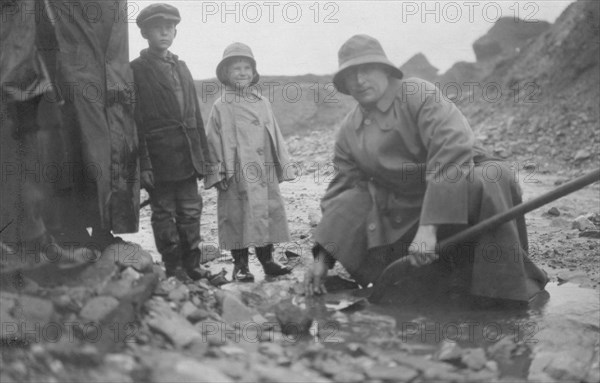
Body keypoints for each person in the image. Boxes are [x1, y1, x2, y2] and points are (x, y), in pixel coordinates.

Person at [304, 35, 548, 303]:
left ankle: (503, 294)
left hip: (461, 179)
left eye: (366, 69)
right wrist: (322, 257)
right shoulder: (348, 131)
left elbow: (452, 151)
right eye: (351, 74)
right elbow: (343, 190)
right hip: (408, 203)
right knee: (355, 199)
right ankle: (426, 280)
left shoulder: (418, 93)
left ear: (385, 69)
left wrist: (429, 228)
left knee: (491, 178)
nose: (360, 80)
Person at [131, 4, 219, 283]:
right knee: (164, 213)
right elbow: (135, 122)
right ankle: (174, 268)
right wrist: (144, 164)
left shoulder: (181, 67)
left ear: (175, 32)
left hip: (187, 155)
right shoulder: (135, 70)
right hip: (159, 158)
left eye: (169, 28)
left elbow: (194, 114)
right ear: (145, 33)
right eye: (158, 28)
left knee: (191, 211)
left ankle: (193, 265)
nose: (164, 33)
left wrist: (203, 158)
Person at [204, 42, 293, 282]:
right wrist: (216, 173)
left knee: (266, 212)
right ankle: (240, 265)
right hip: (236, 172)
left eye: (246, 67)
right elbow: (212, 141)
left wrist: (283, 166)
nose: (242, 72)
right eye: (236, 68)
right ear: (225, 74)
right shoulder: (221, 106)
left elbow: (275, 133)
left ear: (253, 73)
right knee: (237, 216)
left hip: (263, 170)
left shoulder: (263, 102)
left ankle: (267, 260)